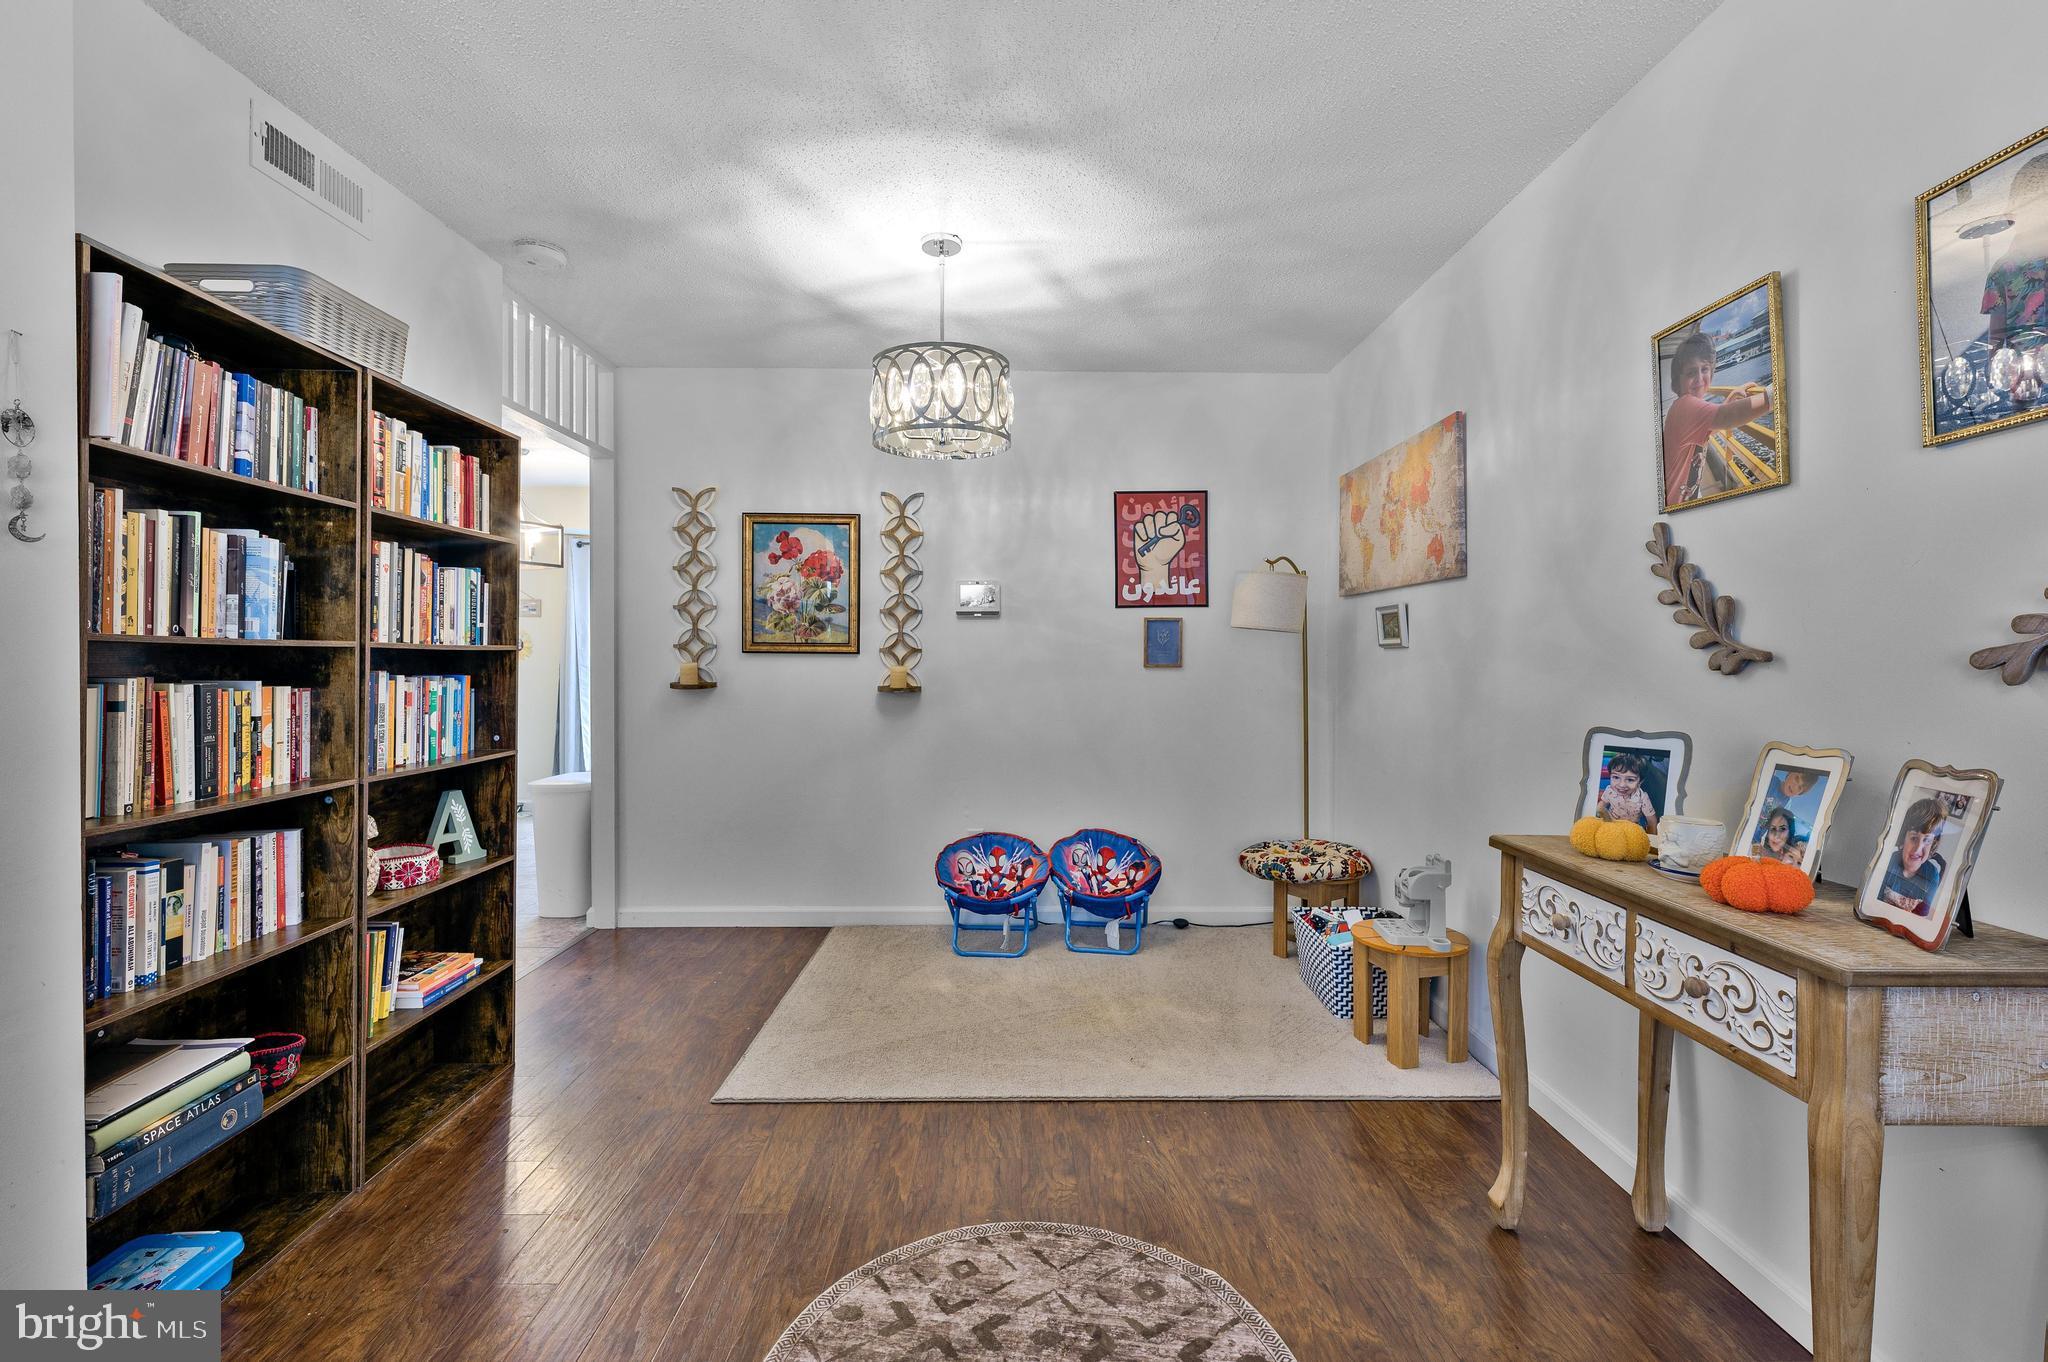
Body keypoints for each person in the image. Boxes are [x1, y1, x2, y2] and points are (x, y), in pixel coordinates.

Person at [1661, 331, 1772, 507]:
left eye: (1704, 369)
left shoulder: (1682, 408)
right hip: (1677, 502)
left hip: (1685, 498)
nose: (1699, 379)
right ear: (1677, 380)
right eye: (1691, 372)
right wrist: (1776, 393)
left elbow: (1711, 426)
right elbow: (1728, 417)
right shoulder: (1685, 406)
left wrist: (1730, 398)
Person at [1982, 153, 2048, 409]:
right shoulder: (2003, 270)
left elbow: (1995, 338)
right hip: (2025, 376)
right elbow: (1996, 337)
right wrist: (2001, 373)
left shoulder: (2002, 269)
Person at [1877, 797, 1947, 916]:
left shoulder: (1932, 876)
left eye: (1927, 840)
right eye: (1914, 838)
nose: (1918, 848)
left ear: (1933, 843)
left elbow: (1922, 914)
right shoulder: (1888, 862)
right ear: (1903, 838)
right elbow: (1875, 900)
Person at [1596, 753, 1660, 833]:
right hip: (1611, 824)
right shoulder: (1610, 790)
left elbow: (1651, 821)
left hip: (1631, 829)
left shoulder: (1642, 797)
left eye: (1630, 780)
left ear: (1640, 782)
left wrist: (1651, 838)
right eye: (1616, 777)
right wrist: (1599, 815)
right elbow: (1602, 805)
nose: (1621, 785)